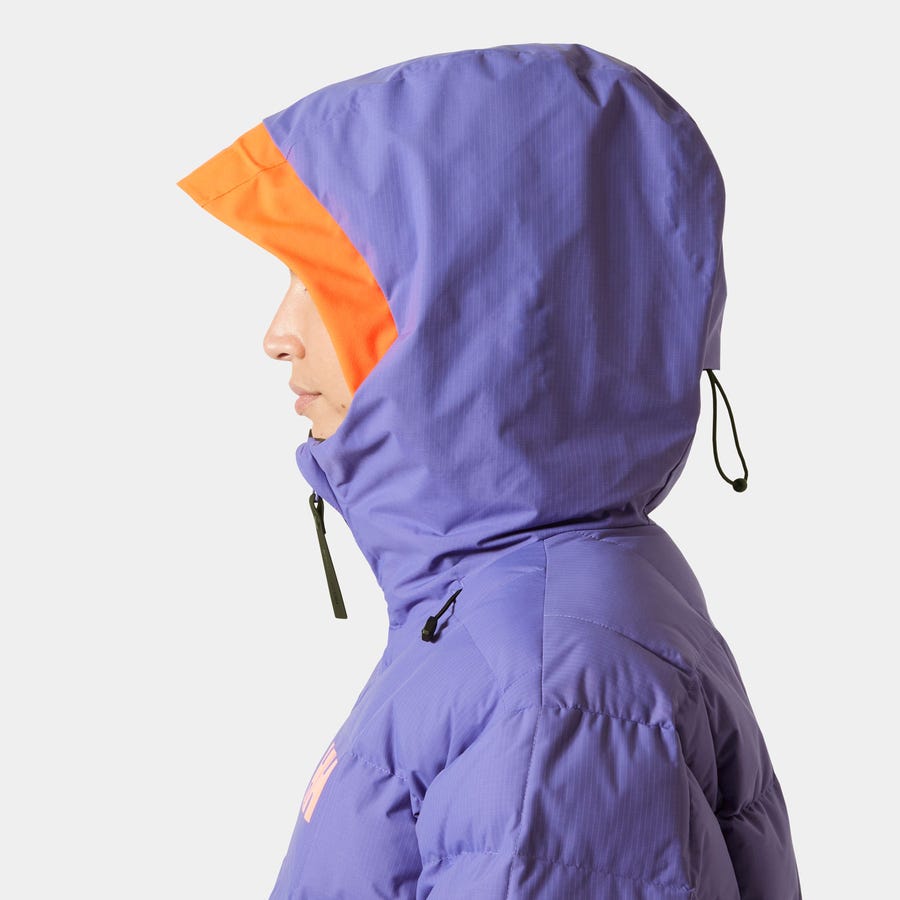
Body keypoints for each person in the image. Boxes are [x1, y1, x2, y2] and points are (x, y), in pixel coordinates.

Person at [177, 42, 802, 899]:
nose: (277, 335)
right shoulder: (514, 617)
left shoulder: (551, 692)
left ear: (471, 317)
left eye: (321, 279)